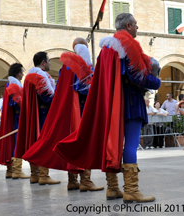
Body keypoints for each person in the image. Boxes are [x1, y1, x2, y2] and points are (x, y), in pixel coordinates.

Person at [54, 13, 161, 203]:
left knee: (114, 145)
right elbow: (136, 75)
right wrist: (156, 82)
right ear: (128, 25)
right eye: (135, 25)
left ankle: (112, 188)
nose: (137, 28)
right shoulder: (126, 45)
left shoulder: (106, 48)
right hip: (130, 102)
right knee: (130, 145)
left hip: (114, 104)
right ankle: (131, 190)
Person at [23, 38, 104, 192]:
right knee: (82, 143)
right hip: (80, 109)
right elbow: (84, 87)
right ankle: (85, 180)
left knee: (72, 143)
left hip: (70, 111)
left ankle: (73, 181)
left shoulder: (65, 67)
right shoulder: (81, 64)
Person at [15, 52, 60, 185]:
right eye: (49, 61)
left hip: (36, 113)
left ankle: (35, 174)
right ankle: (44, 175)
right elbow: (47, 97)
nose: (50, 63)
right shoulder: (40, 75)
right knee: (43, 143)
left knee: (34, 141)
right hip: (43, 113)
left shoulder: (30, 75)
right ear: (43, 62)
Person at [0, 63, 30, 179]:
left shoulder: (9, 83)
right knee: (17, 142)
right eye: (22, 72)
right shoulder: (14, 83)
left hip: (13, 118)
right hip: (17, 118)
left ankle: (10, 170)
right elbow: (16, 103)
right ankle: (17, 170)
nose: (22, 75)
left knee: (11, 142)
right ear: (18, 73)